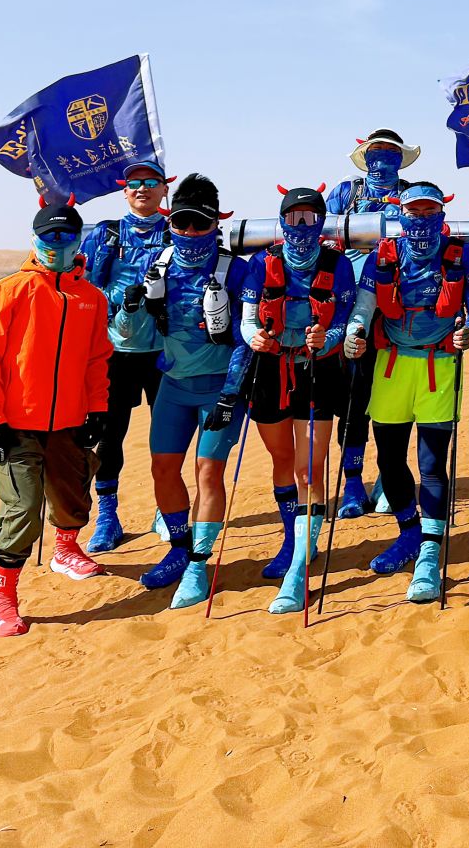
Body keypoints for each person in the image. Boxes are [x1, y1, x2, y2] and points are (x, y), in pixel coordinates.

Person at [0, 197, 112, 637]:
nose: (57, 244)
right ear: (34, 239)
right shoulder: (8, 291)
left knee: (73, 498)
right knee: (23, 507)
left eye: (66, 236)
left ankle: (65, 550)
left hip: (70, 421)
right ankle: (4, 599)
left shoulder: (91, 298)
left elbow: (96, 360)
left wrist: (98, 410)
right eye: (48, 236)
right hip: (17, 425)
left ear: (78, 240)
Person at [345, 182, 469, 604]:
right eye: (414, 212)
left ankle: (429, 553)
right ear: (401, 215)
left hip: (438, 367)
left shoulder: (463, 256)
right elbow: (364, 305)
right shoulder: (383, 255)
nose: (421, 220)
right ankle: (408, 532)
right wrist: (355, 331)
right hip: (391, 366)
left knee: (431, 465)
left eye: (430, 212)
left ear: (442, 214)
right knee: (388, 460)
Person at [223, 185, 349, 615]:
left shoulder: (337, 264)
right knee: (281, 461)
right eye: (294, 218)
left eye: (310, 218)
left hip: (317, 369)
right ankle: (293, 539)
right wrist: (253, 337)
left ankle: (298, 568)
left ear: (322, 222)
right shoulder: (263, 263)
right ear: (282, 222)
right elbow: (247, 319)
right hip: (270, 370)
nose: (302, 227)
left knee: (309, 468)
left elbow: (344, 318)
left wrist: (327, 336)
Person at [134, 174, 251, 610]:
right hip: (173, 387)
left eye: (200, 223)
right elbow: (135, 325)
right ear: (170, 220)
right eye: (181, 222)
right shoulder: (159, 264)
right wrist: (131, 306)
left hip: (220, 389)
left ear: (216, 223)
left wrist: (230, 394)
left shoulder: (236, 270)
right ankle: (179, 549)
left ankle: (199, 565)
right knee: (162, 469)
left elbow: (245, 337)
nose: (190, 231)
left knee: (207, 472)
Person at [77, 161, 174, 553]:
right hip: (114, 353)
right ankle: (108, 516)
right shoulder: (105, 234)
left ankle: (167, 508)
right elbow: (82, 285)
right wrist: (118, 299)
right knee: (109, 436)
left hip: (165, 353)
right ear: (124, 191)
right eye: (135, 183)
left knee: (166, 437)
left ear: (164, 189)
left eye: (151, 182)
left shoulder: (176, 232)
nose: (142, 188)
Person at [328, 129, 420, 521]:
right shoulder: (345, 193)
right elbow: (324, 239)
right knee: (353, 398)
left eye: (390, 152)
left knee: (395, 393)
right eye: (375, 152)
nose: (382, 158)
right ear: (364, 157)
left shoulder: (415, 194)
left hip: (401, 307)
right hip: (353, 307)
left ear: (401, 158)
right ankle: (352, 481)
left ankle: (388, 474)